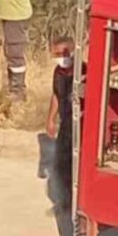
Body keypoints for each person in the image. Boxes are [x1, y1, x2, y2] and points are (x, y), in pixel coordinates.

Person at [45, 35, 76, 196]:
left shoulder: (82, 71)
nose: (59, 59)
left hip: (79, 124)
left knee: (74, 163)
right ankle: (64, 198)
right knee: (60, 161)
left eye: (61, 54)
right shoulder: (58, 72)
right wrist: (51, 119)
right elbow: (56, 95)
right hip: (65, 123)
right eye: (55, 55)